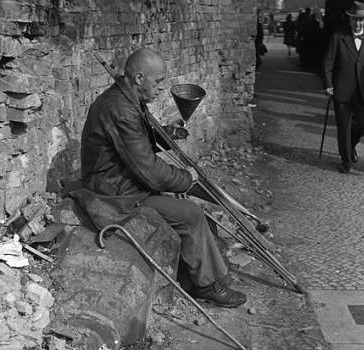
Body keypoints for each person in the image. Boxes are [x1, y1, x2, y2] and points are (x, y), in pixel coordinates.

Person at [74, 48, 247, 308]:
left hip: (124, 183)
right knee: (191, 214)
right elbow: (150, 171)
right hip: (114, 195)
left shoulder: (127, 100)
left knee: (186, 206)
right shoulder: (120, 109)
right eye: (158, 82)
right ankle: (207, 285)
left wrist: (165, 134)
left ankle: (213, 275)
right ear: (140, 78)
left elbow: (135, 143)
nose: (161, 89)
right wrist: (187, 180)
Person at [323, 1, 364, 173]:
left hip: (363, 89)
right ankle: (345, 159)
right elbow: (328, 62)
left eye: (361, 20)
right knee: (344, 125)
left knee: (363, 124)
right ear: (350, 20)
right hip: (342, 88)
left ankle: (351, 145)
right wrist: (328, 84)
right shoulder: (338, 37)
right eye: (355, 19)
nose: (358, 23)